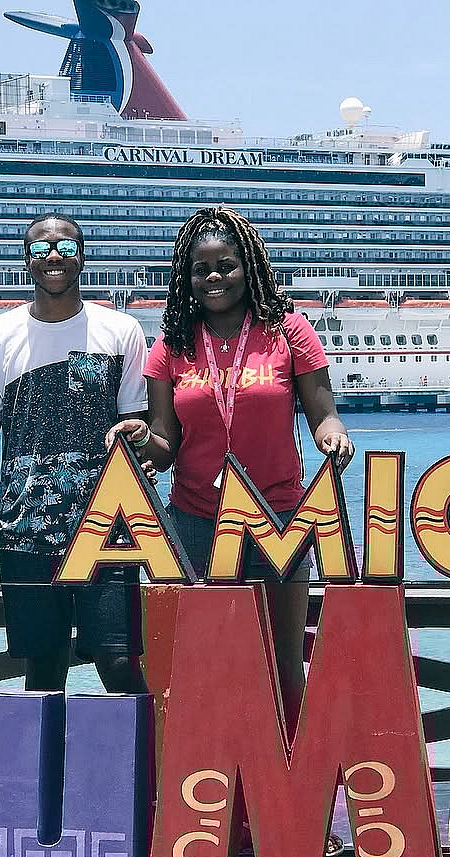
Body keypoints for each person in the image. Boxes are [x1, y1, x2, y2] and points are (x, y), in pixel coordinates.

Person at [109, 204, 354, 746]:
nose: (214, 277)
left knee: (284, 664)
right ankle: (211, 784)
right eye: (201, 269)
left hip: (280, 519)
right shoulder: (170, 345)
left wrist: (334, 437)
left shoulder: (288, 330)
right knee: (203, 662)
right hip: (196, 523)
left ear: (249, 267)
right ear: (186, 277)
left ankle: (296, 788)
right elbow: (165, 445)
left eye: (226, 265)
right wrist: (140, 437)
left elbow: (323, 412)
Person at [0, 213, 150, 696]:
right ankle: (49, 752)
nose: (53, 256)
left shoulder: (122, 330)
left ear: (83, 257)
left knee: (119, 662)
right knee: (41, 672)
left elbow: (138, 420)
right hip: (24, 525)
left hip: (109, 524)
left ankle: (143, 751)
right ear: (26, 261)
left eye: (65, 247)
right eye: (40, 249)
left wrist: (141, 435)